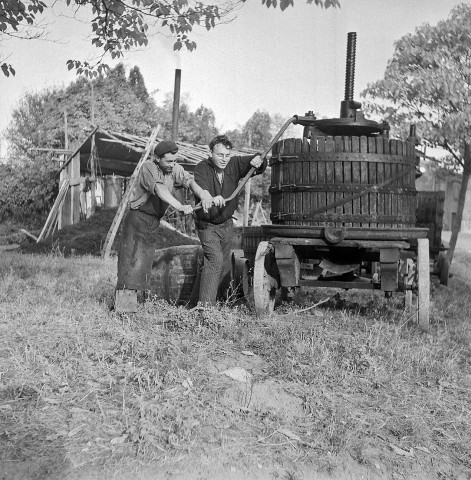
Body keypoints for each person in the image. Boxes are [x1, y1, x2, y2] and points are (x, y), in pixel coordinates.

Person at [115, 140, 213, 313]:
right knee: (130, 264)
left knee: (144, 264)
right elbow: (160, 189)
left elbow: (189, 181)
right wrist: (180, 205)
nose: (172, 165)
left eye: (174, 161)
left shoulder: (174, 169)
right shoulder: (148, 167)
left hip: (153, 221)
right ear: (157, 158)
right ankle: (123, 310)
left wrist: (203, 194)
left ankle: (137, 306)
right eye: (168, 161)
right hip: (137, 220)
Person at [192, 135, 267, 306]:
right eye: (220, 155)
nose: (224, 159)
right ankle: (205, 309)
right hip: (207, 226)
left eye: (227, 155)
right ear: (210, 152)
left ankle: (210, 302)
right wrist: (210, 197)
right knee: (215, 260)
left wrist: (258, 161)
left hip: (226, 225)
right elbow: (201, 187)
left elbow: (258, 160)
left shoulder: (234, 164)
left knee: (223, 265)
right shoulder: (201, 168)